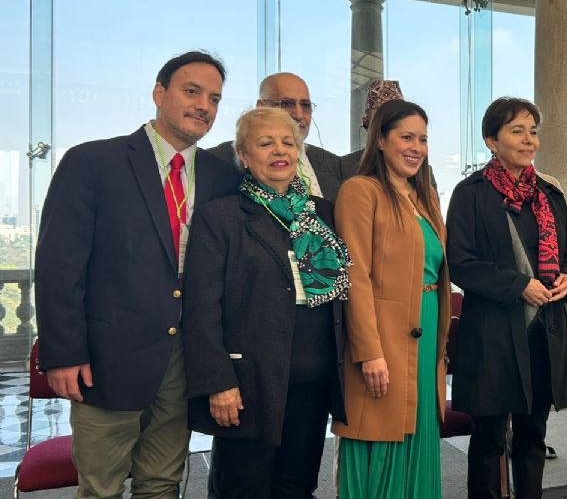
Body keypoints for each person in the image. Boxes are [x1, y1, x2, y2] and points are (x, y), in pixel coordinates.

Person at [35, 50, 240, 497]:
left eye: (215, 98)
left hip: (186, 360)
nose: (204, 105)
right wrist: (62, 352)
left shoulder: (223, 177)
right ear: (158, 93)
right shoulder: (93, 162)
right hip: (107, 361)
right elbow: (58, 266)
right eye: (192, 91)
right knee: (101, 487)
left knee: (162, 483)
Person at [181, 107, 350, 497]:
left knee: (297, 485)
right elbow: (202, 309)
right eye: (265, 142)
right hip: (248, 385)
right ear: (243, 154)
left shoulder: (321, 214)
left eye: (289, 142)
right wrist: (219, 383)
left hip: (313, 380)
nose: (280, 150)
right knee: (244, 487)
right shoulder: (221, 217)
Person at [447, 97, 567, 499]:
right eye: (517, 131)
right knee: (487, 442)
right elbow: (461, 264)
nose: (529, 140)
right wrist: (517, 285)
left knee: (533, 438)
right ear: (492, 140)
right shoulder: (470, 194)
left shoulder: (550, 195)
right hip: (492, 336)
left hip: (543, 333)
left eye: (533, 131)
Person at [332, 99, 451, 498]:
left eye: (422, 139)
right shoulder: (359, 191)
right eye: (406, 137)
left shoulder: (426, 197)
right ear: (380, 140)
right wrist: (369, 352)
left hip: (426, 331)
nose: (416, 147)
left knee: (419, 439)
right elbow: (355, 275)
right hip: (383, 339)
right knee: (381, 440)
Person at [208, 72, 345, 199]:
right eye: (287, 103)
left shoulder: (333, 164)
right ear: (261, 107)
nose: (298, 114)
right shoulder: (217, 161)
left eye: (305, 105)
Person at [340, 78, 405, 178]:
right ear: (366, 121)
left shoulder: (418, 170)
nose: (388, 124)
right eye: (381, 117)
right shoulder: (346, 166)